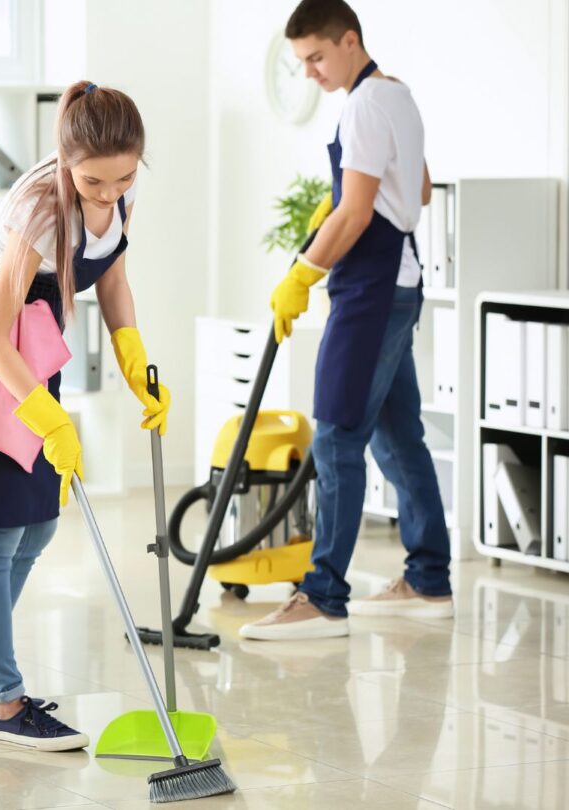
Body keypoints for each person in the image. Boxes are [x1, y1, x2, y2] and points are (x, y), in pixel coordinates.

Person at [0, 80, 171, 748]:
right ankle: (5, 707)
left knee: (36, 528)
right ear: (67, 162)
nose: (107, 193)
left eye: (122, 177)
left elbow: (115, 280)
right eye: (93, 181)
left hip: (36, 351)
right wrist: (50, 417)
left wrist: (136, 366)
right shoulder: (42, 204)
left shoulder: (120, 190)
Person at [241, 0, 453, 641]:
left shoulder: (363, 105)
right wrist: (336, 209)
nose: (310, 73)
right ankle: (428, 577)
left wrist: (303, 271)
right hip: (401, 281)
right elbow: (416, 188)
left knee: (335, 436)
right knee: (397, 437)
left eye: (316, 57)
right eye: (301, 62)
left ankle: (324, 596)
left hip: (371, 288)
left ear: (349, 40)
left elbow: (359, 213)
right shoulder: (398, 94)